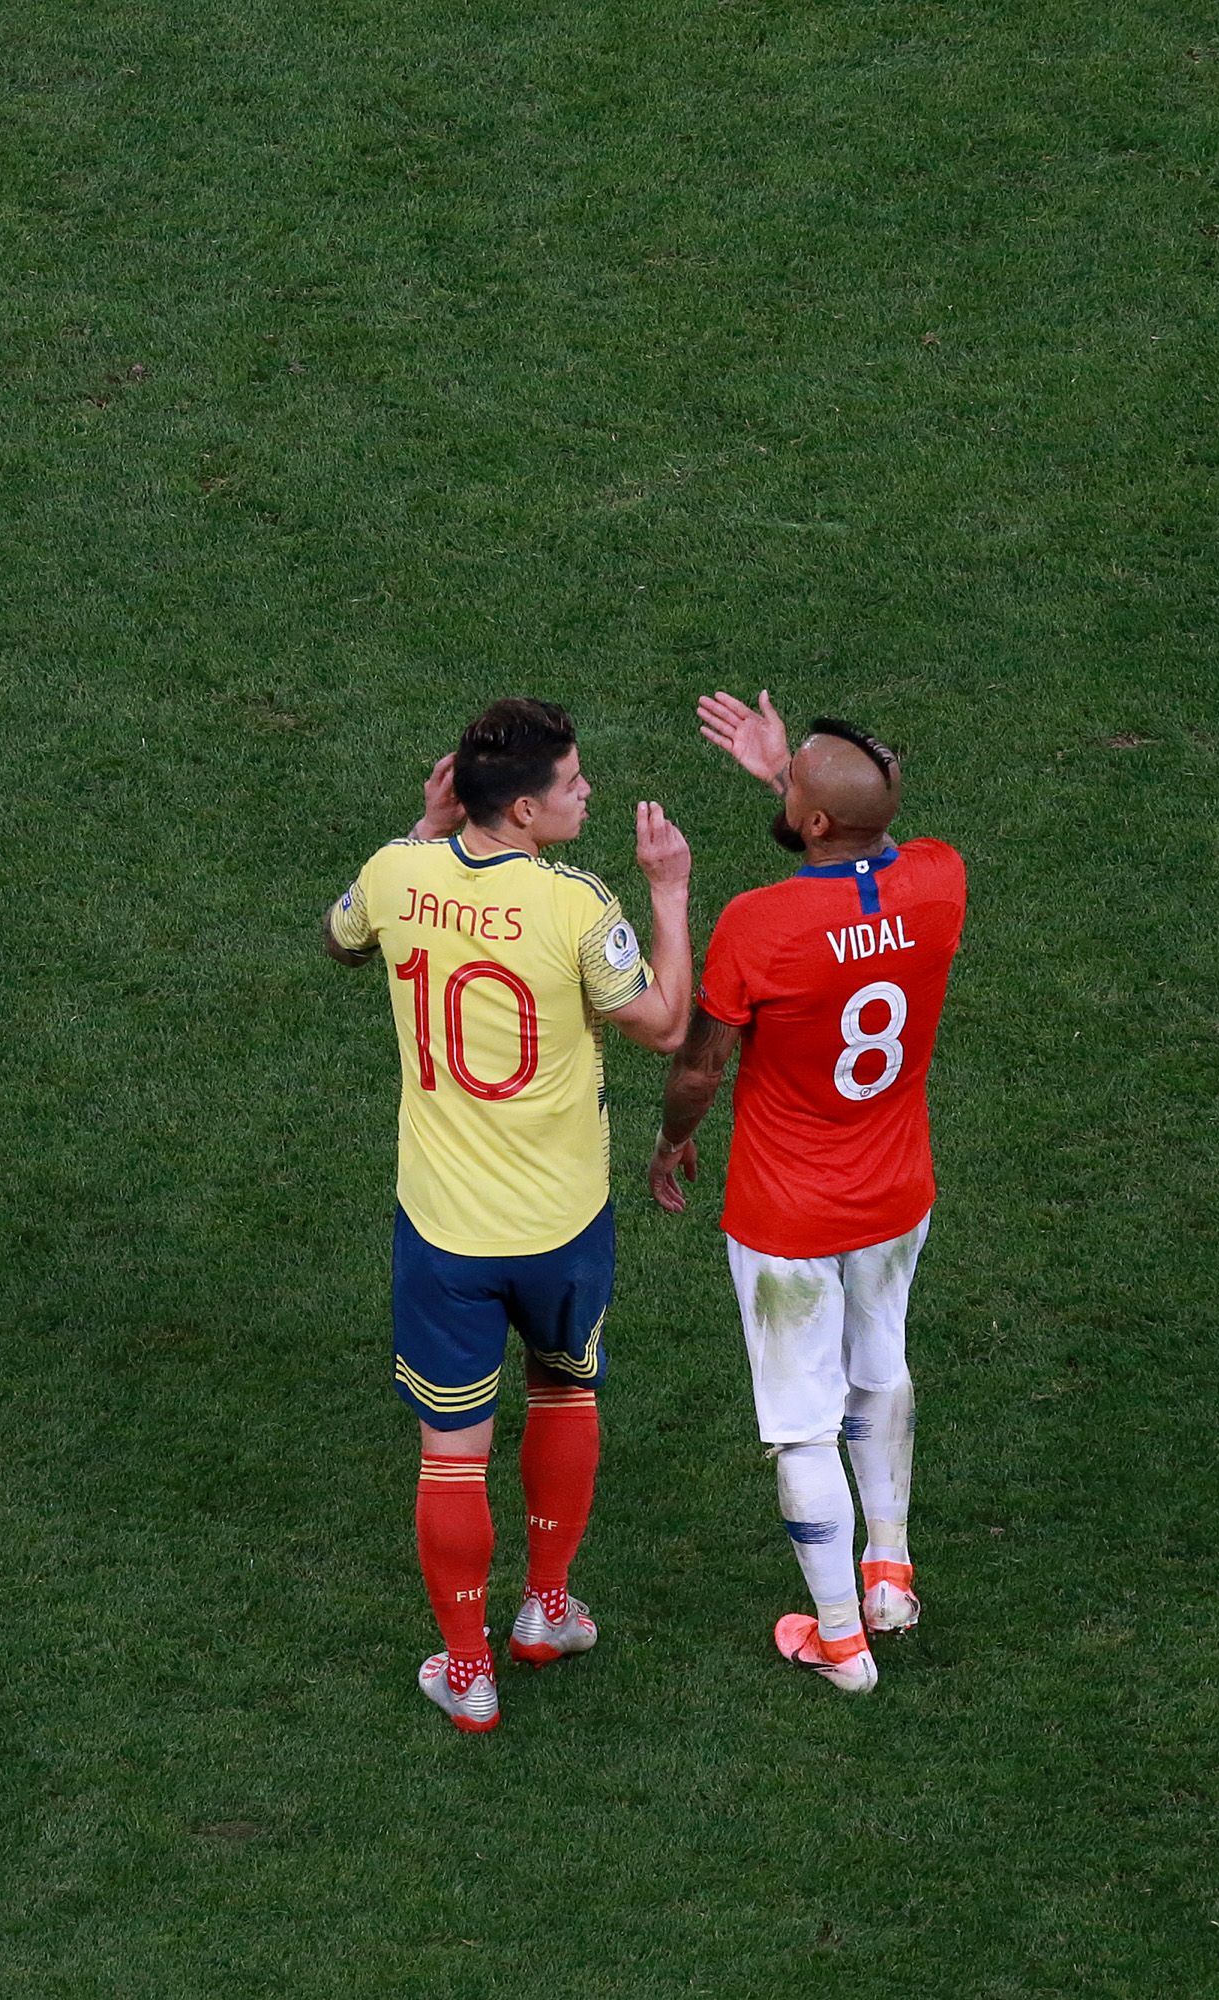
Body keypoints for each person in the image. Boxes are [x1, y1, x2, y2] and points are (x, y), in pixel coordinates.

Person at [324, 698, 692, 1732]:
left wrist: (424, 825)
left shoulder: (397, 872)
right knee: (565, 1394)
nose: (588, 793)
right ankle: (546, 1608)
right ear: (526, 809)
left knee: (452, 1448)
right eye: (574, 783)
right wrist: (670, 892)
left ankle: (467, 1665)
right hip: (563, 1223)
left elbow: (342, 939)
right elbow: (663, 1025)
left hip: (445, 1229)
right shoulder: (576, 905)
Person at [651, 690, 965, 1692]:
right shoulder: (940, 880)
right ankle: (891, 1573)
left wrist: (670, 1142)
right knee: (881, 1365)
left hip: (788, 1213)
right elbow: (876, 853)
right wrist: (806, 791)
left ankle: (839, 1640)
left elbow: (702, 1065)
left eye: (794, 788)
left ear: (815, 822)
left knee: (800, 1420)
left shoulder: (760, 925)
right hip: (895, 1192)